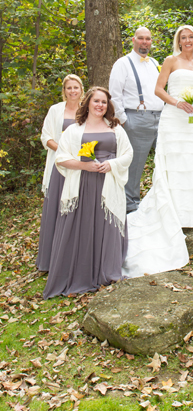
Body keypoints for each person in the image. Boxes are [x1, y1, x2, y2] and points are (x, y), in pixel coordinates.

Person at [122, 25, 193, 279]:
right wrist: (177, 102)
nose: (187, 41)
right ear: (179, 41)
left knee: (192, 162)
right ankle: (172, 208)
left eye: (191, 37)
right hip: (172, 118)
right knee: (173, 161)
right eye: (183, 37)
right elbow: (158, 89)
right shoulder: (169, 61)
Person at [44, 87, 133, 299]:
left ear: (108, 105)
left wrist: (111, 164)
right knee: (82, 227)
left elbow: (128, 154)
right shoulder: (74, 130)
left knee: (106, 225)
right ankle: (80, 272)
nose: (100, 105)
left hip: (108, 185)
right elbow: (61, 158)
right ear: (88, 103)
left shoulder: (116, 128)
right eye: (96, 101)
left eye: (104, 102)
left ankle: (106, 271)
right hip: (82, 186)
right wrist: (84, 166)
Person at [108, 27, 163, 213]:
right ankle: (130, 206)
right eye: (141, 38)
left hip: (160, 119)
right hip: (136, 119)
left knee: (164, 161)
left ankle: (159, 201)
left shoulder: (155, 63)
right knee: (135, 166)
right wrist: (125, 121)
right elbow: (114, 95)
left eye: (148, 39)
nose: (145, 42)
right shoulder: (122, 63)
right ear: (133, 40)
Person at [37, 74, 85, 272]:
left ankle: (73, 258)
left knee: (77, 208)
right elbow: (45, 136)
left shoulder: (87, 109)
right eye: (69, 88)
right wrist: (62, 149)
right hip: (59, 165)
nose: (73, 91)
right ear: (64, 91)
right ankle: (50, 261)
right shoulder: (56, 110)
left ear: (82, 89)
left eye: (76, 87)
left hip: (80, 166)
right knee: (56, 209)